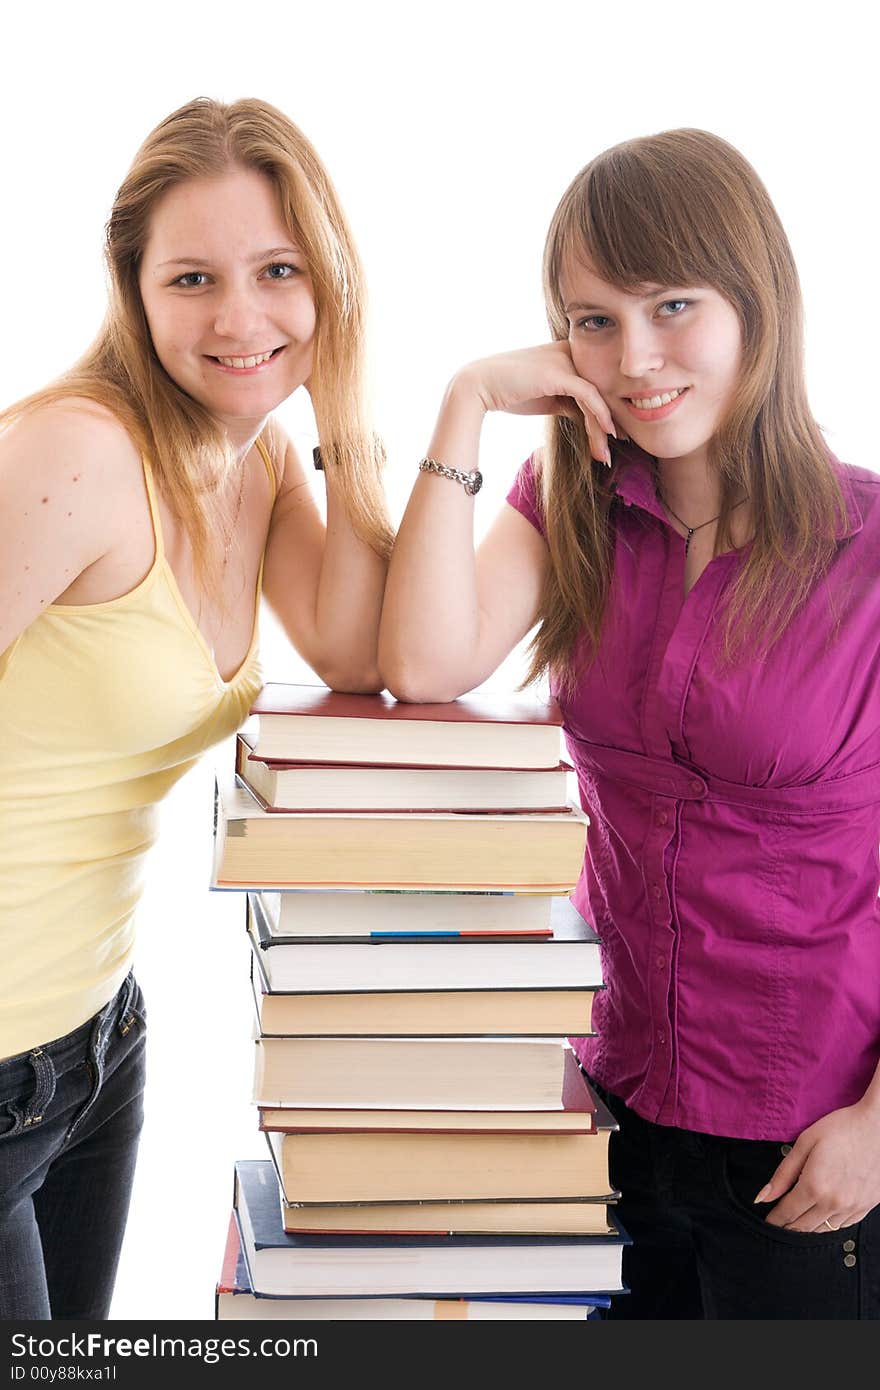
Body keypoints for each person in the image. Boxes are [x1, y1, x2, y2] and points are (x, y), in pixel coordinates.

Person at [378, 128, 880, 1319]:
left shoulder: (869, 554)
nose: (634, 356)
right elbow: (422, 660)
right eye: (591, 320)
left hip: (812, 1143)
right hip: (616, 1108)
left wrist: (879, 1127)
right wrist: (465, 405)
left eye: (670, 305)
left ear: (756, 302)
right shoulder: (570, 508)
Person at [0, 96, 392, 1320]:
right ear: (134, 288)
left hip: (95, 1033)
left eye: (280, 272)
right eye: (192, 277)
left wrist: (345, 417)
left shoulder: (255, 459)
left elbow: (364, 647)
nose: (238, 318)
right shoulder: (78, 453)